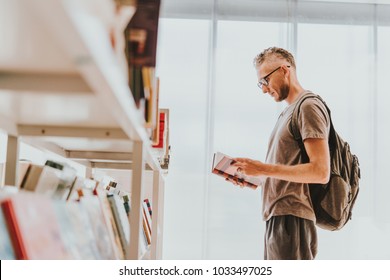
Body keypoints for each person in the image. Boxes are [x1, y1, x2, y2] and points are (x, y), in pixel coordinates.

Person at [229, 47, 331, 260]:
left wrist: (262, 168)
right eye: (261, 84)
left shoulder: (308, 107)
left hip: (291, 220)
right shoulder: (289, 112)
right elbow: (291, 170)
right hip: (280, 219)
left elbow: (320, 171)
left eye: (265, 80)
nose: (264, 89)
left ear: (285, 70)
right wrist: (257, 178)